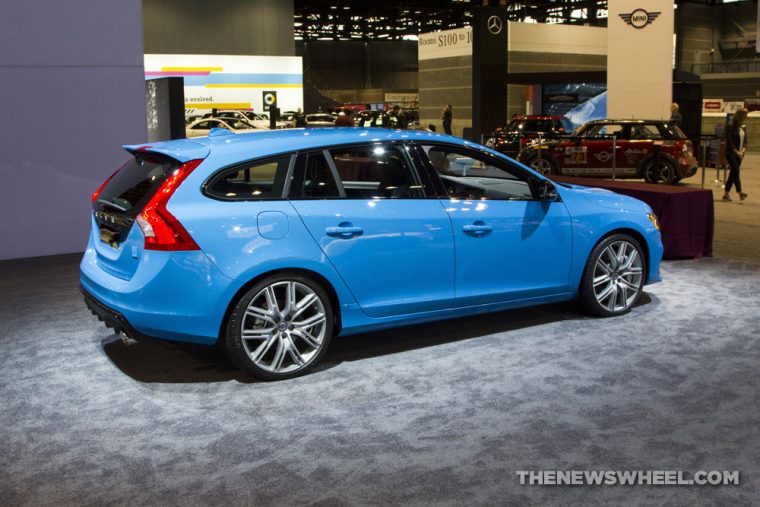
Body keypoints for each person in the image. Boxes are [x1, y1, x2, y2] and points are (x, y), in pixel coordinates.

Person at [723, 108, 749, 201]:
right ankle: (740, 192)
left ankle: (726, 194)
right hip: (731, 153)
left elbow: (745, 140)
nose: (746, 117)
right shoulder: (730, 126)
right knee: (736, 171)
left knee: (733, 174)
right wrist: (736, 152)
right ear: (739, 116)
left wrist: (743, 151)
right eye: (744, 116)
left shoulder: (743, 127)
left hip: (740, 154)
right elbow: (729, 141)